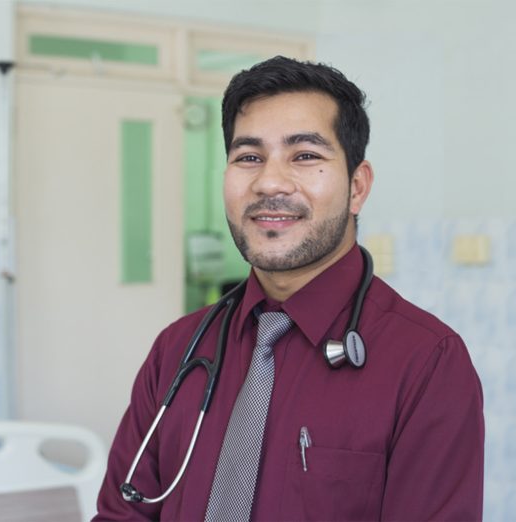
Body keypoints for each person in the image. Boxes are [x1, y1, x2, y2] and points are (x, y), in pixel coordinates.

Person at [93, 56, 484, 521]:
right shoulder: (178, 348)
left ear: (357, 187)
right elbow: (122, 514)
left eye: (305, 156)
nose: (269, 182)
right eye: (249, 157)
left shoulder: (426, 364)